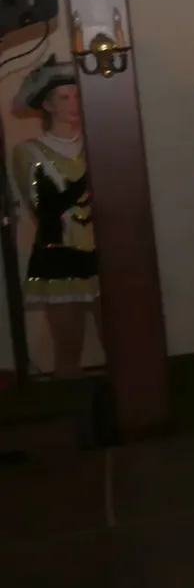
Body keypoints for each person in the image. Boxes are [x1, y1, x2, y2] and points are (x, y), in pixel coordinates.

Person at [12, 56, 100, 379]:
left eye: (77, 95)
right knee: (67, 346)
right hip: (60, 254)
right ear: (48, 105)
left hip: (103, 249)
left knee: (120, 337)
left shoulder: (99, 142)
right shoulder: (28, 152)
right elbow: (42, 207)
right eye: (64, 97)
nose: (74, 103)